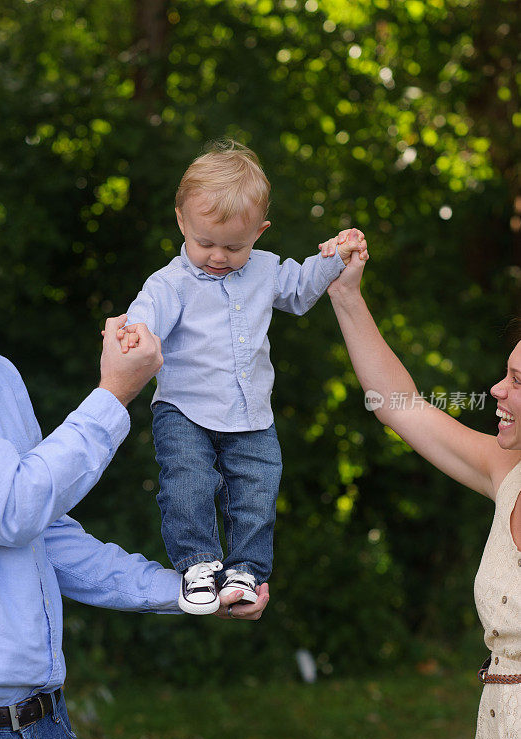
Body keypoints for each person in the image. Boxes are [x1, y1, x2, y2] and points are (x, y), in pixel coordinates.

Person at [0, 314, 268, 739]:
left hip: (46, 725)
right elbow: (14, 508)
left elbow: (44, 535)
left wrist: (184, 591)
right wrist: (115, 391)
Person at [118, 139, 368, 615]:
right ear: (181, 223)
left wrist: (336, 257)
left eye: (234, 245)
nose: (217, 255)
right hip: (184, 408)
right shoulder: (170, 283)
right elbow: (146, 313)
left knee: (257, 489)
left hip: (251, 411)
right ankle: (197, 563)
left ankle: (246, 570)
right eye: (204, 242)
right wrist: (133, 333)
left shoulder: (266, 270)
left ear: (259, 232)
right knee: (187, 483)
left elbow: (300, 290)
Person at [323, 233, 521, 739]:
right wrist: (346, 294)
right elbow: (397, 406)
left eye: (518, 382)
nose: (495, 390)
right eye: (505, 372)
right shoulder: (506, 471)